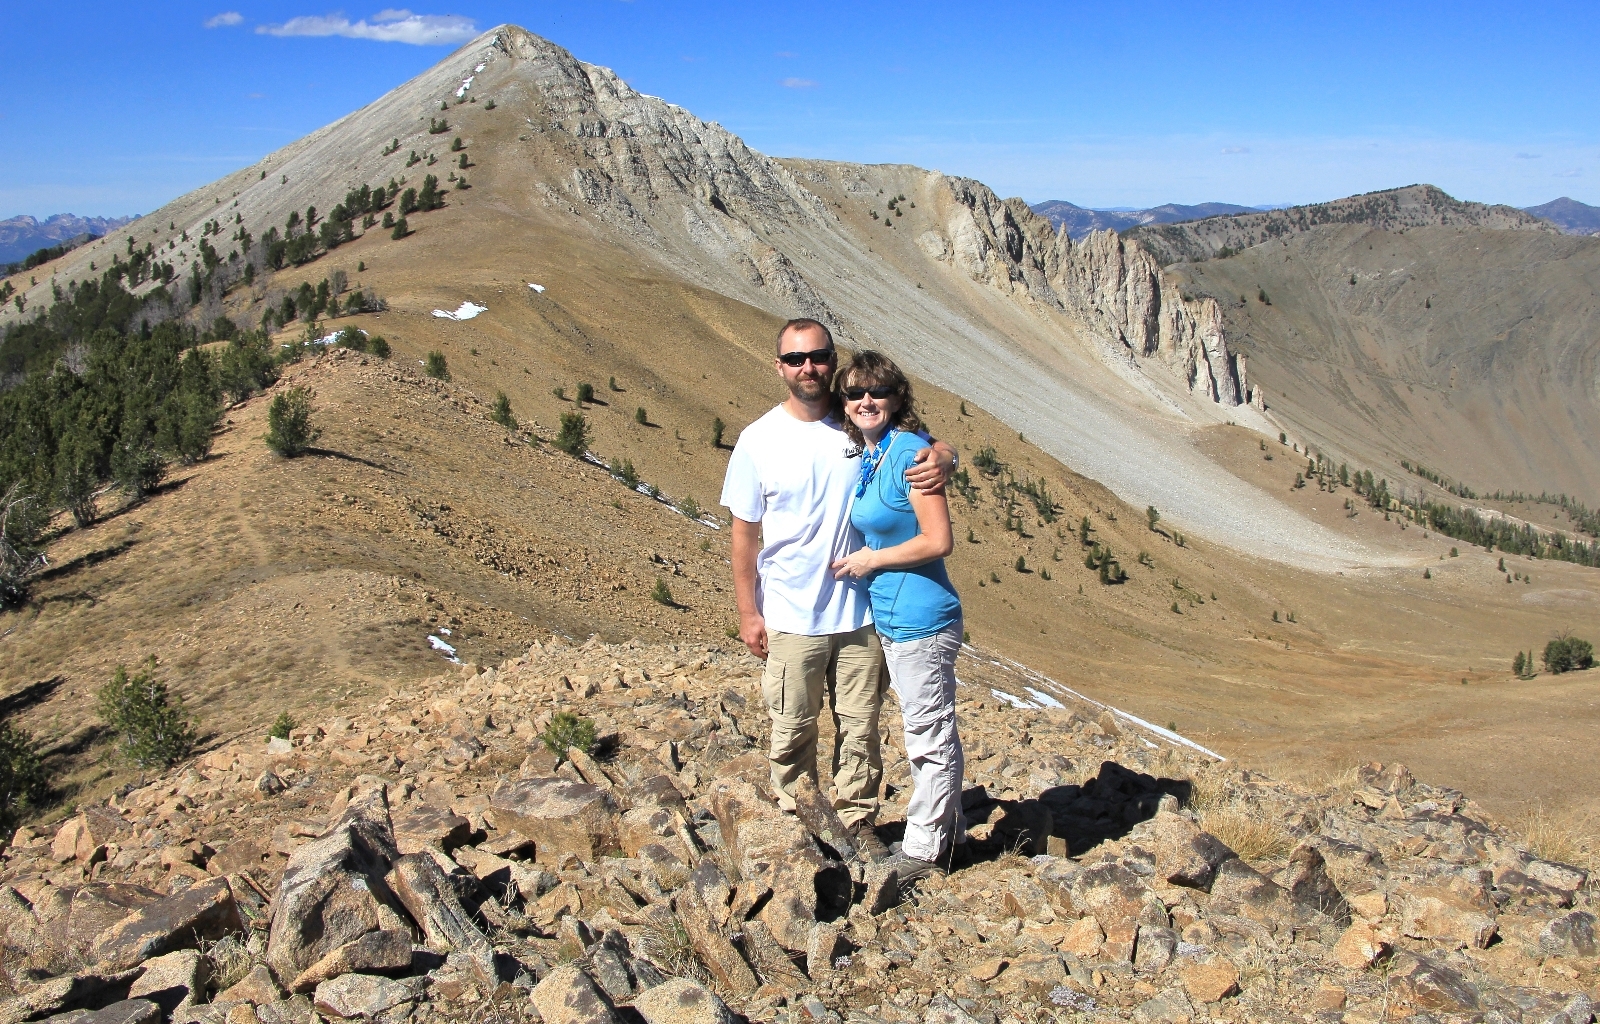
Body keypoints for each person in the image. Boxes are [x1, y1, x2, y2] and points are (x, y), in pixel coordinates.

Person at [720, 319, 955, 860]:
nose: (809, 367)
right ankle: (798, 823)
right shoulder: (758, 440)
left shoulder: (856, 427)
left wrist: (945, 453)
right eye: (797, 359)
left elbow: (915, 445)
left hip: (859, 612)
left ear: (832, 361)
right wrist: (748, 612)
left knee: (860, 729)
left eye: (820, 357)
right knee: (793, 727)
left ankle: (855, 822)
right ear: (779, 366)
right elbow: (744, 533)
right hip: (789, 613)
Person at [829, 350, 965, 886]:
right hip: (896, 614)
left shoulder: (909, 452)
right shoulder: (876, 453)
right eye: (856, 393)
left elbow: (938, 540)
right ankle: (943, 832)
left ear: (897, 399)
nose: (867, 401)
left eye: (878, 392)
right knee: (929, 725)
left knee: (926, 731)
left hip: (921, 617)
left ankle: (923, 852)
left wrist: (870, 559)